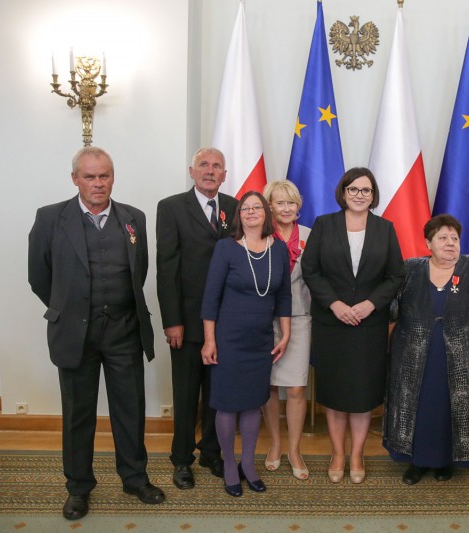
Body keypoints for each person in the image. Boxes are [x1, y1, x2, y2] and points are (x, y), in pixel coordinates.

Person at [28, 146, 165, 521]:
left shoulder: (133, 218)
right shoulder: (50, 218)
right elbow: (39, 276)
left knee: (130, 409)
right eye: (89, 176)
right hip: (75, 334)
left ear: (112, 177)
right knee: (78, 415)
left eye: (104, 175)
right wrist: (67, 308)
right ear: (75, 179)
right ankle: (78, 488)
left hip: (124, 331)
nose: (98, 183)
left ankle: (135, 479)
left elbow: (140, 273)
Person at [383, 214, 469, 485]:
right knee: (415, 404)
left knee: (450, 404)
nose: (450, 243)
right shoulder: (410, 268)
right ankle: (415, 462)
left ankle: (446, 462)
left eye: (455, 238)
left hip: (459, 352)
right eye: (443, 237)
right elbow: (390, 310)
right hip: (412, 352)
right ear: (428, 243)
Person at [301, 167, 404, 484]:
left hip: (369, 324)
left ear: (373, 196)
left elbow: (396, 276)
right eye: (354, 189)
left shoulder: (385, 228)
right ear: (343, 192)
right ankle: (337, 453)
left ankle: (357, 453)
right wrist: (335, 304)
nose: (360, 195)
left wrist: (370, 304)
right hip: (331, 323)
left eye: (366, 190)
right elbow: (311, 269)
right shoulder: (324, 224)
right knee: (334, 392)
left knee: (361, 394)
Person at [156, 147, 239, 489]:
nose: (210, 170)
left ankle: (211, 452)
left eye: (216, 166)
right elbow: (166, 268)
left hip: (226, 321)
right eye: (203, 165)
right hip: (187, 322)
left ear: (224, 175)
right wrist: (172, 320)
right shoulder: (171, 207)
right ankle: (181, 460)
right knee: (187, 393)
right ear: (192, 171)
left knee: (217, 393)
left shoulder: (235, 207)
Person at [201, 191, 291, 497]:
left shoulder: (278, 249)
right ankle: (229, 466)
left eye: (257, 207)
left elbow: (284, 297)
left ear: (266, 213)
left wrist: (286, 334)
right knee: (227, 405)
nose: (251, 211)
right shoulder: (226, 248)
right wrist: (209, 340)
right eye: (245, 208)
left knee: (254, 402)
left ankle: (249, 465)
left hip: (261, 340)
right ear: (239, 216)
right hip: (228, 339)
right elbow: (211, 297)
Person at [261, 180, 311, 480]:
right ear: (269, 206)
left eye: (291, 202)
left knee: (296, 387)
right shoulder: (260, 235)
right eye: (280, 202)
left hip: (301, 318)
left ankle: (294, 449)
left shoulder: (309, 236)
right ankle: (275, 444)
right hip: (265, 321)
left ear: (298, 206)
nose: (286, 208)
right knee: (268, 386)